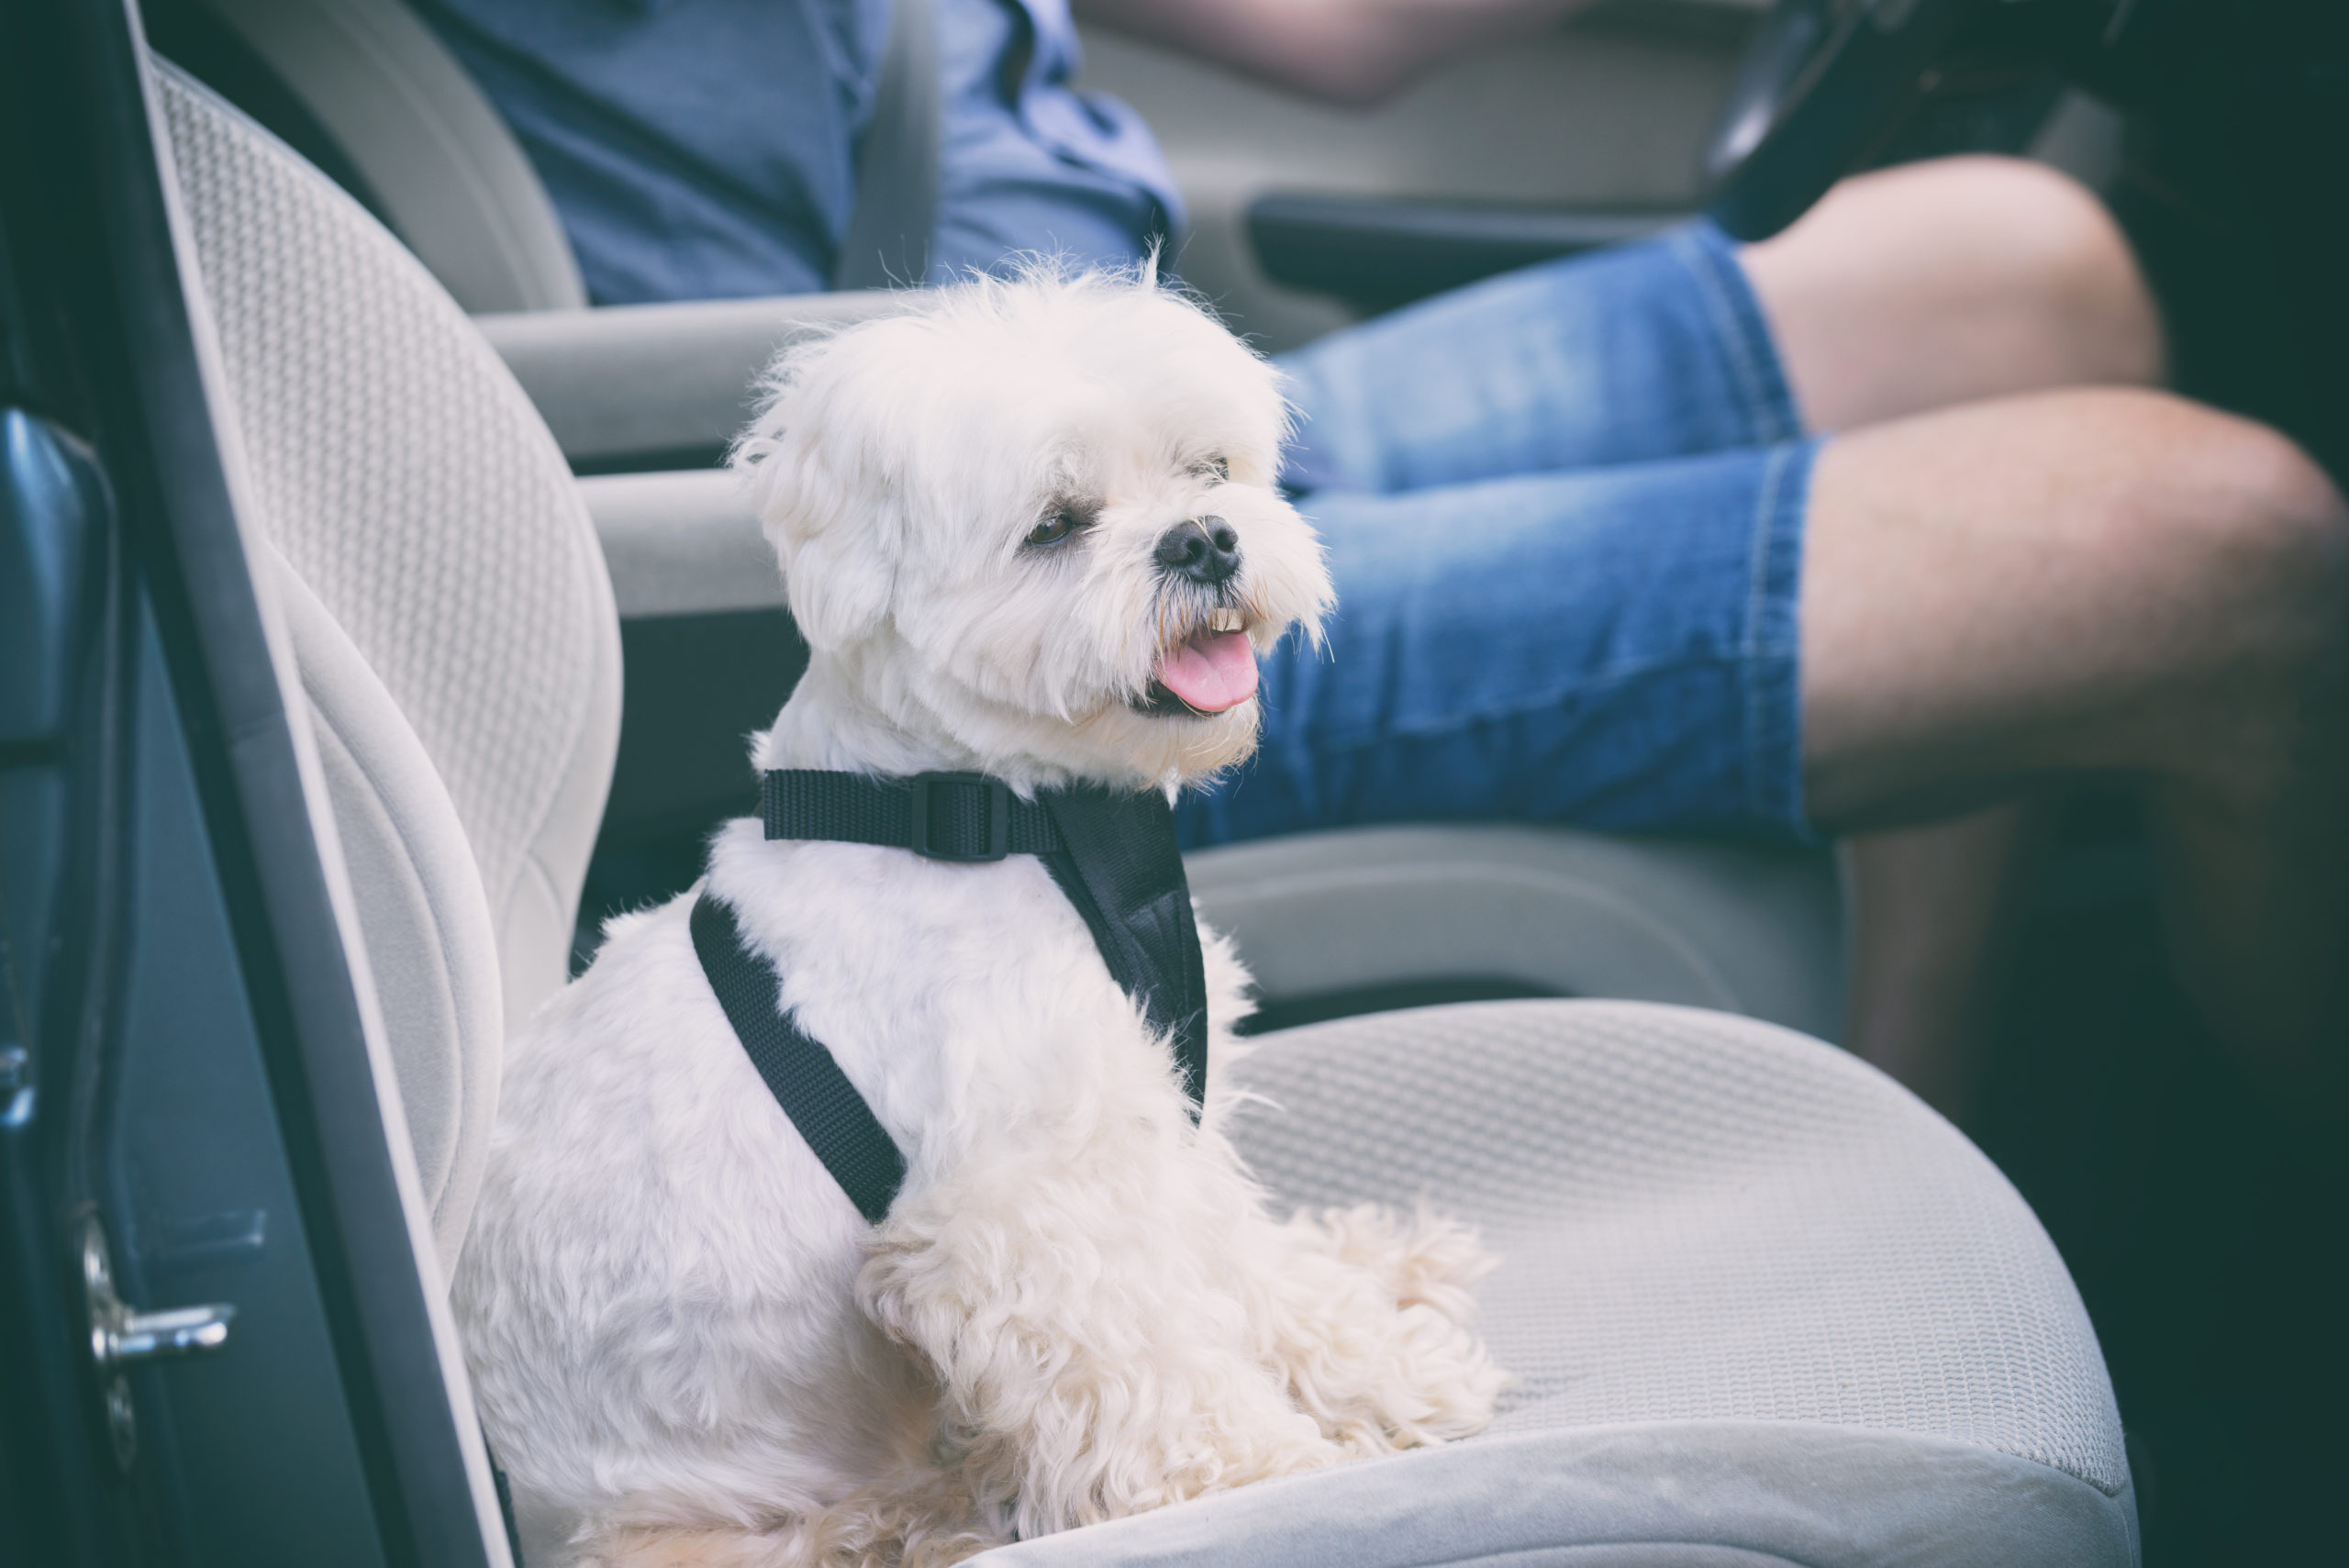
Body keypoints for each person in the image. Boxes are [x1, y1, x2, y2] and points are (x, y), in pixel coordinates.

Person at [415, 0, 2349, 1129]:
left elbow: (1340, 26)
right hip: (1010, 621)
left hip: (1154, 441)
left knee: (2017, 267)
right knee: (2220, 557)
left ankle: (1908, 1106)